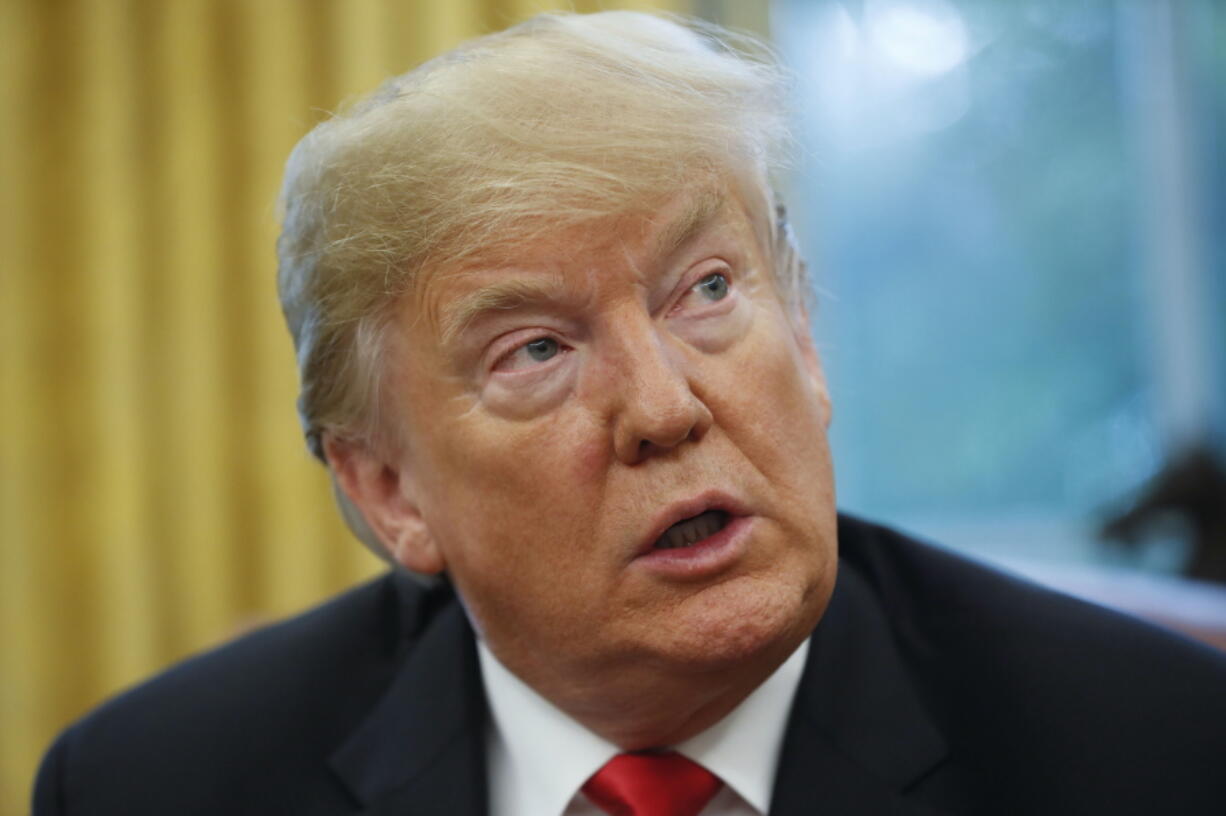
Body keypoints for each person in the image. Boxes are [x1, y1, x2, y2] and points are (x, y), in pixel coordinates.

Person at [33, 11, 1226, 815]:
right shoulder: (157, 785)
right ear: (388, 490)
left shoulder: (1145, 751)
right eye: (537, 349)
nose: (662, 409)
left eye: (706, 292)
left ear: (803, 339)